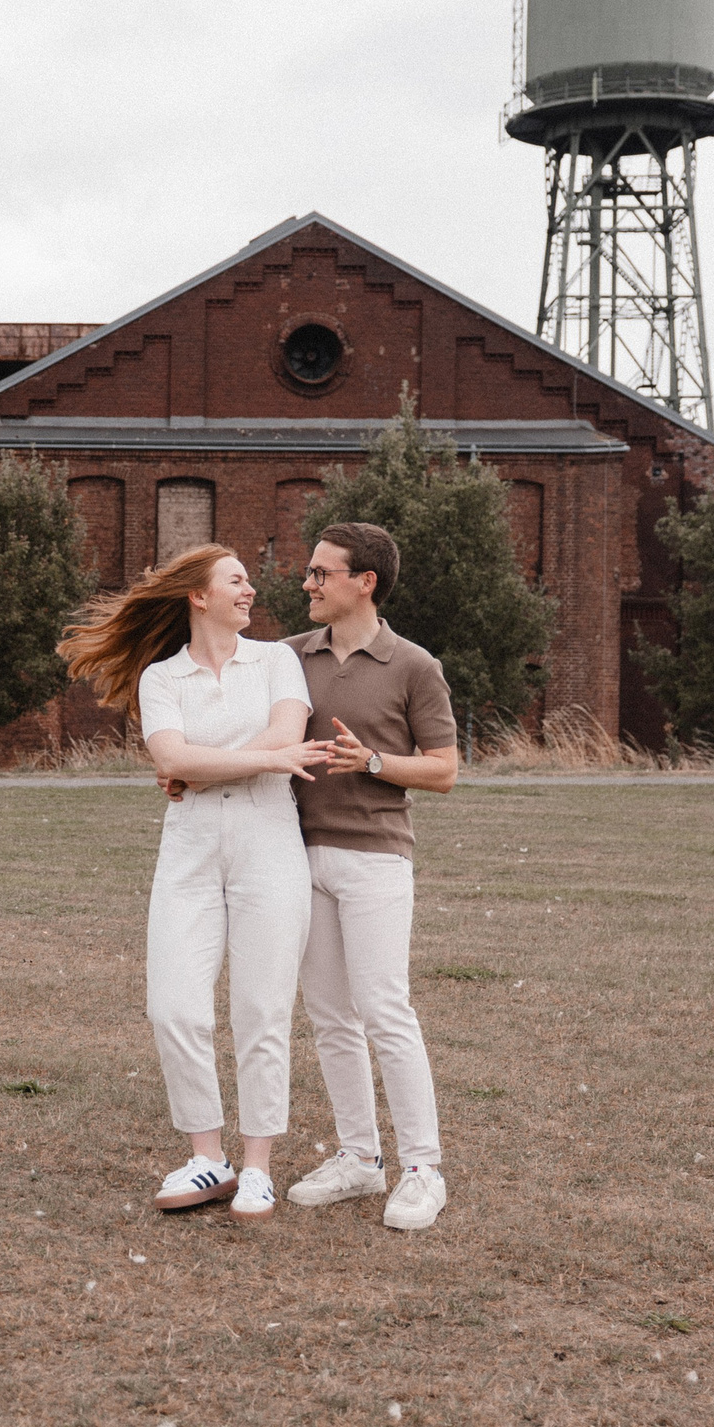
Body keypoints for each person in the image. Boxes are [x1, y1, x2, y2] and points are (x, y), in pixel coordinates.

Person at [59, 544, 330, 1220]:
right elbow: (184, 754)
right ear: (198, 596)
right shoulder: (162, 678)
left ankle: (258, 1166)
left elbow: (285, 738)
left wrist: (199, 767)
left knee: (263, 1010)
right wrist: (218, 763)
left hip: (269, 842)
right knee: (173, 1006)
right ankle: (208, 1157)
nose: (251, 590)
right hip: (189, 848)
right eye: (236, 580)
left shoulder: (278, 661)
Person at [279, 522, 462, 1232]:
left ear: (366, 582)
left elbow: (444, 770)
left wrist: (376, 762)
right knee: (329, 1017)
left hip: (376, 858)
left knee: (385, 1010)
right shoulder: (288, 657)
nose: (307, 582)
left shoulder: (415, 665)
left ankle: (423, 1168)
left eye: (321, 572)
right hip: (296, 858)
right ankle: (360, 1157)